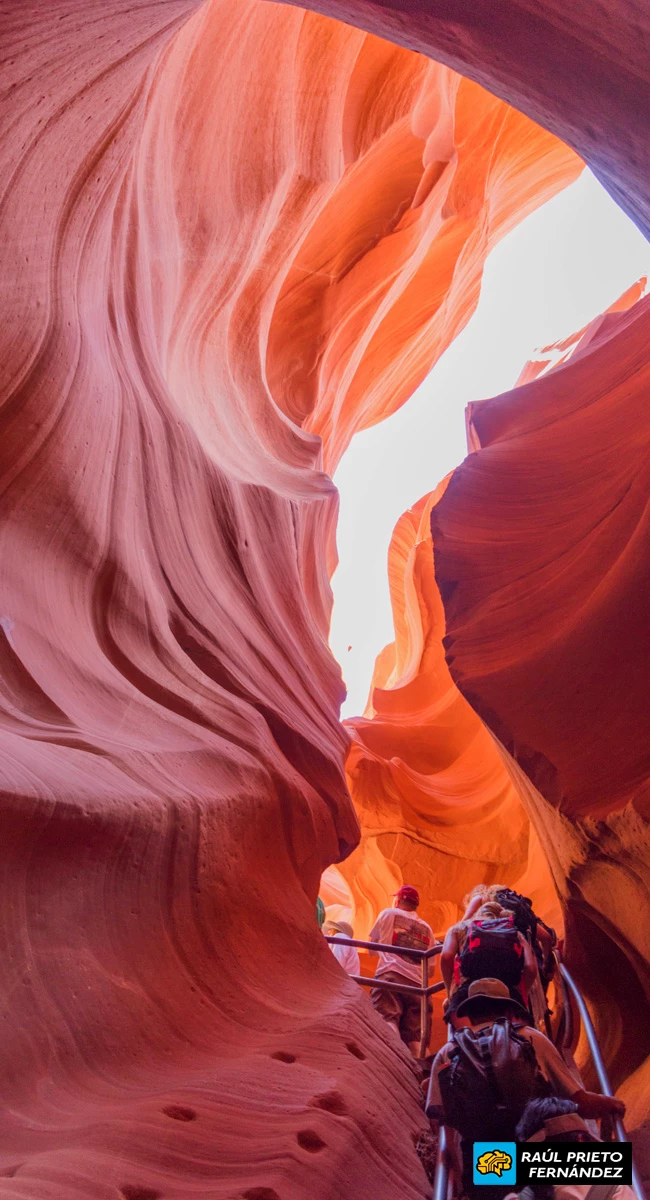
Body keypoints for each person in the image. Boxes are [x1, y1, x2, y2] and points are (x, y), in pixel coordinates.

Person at [426, 978, 625, 1200]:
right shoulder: (530, 1038)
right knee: (612, 1183)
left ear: (469, 1013)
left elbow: (440, 1122)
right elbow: (582, 1104)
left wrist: (460, 1175)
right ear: (510, 1011)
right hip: (540, 1153)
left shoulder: (447, 1053)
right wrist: (612, 1104)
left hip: (488, 1163)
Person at [440, 900, 538, 1024]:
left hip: (467, 993)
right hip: (508, 995)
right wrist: (519, 991)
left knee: (459, 1037)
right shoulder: (515, 933)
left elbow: (446, 957)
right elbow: (530, 968)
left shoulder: (460, 928)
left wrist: (450, 992)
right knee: (523, 1037)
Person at [367, 885, 436, 1057]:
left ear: (397, 901)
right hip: (418, 986)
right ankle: (424, 1078)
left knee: (388, 1020)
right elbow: (432, 969)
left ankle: (393, 1066)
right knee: (416, 1038)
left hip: (391, 976)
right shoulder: (428, 929)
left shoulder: (388, 913)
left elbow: (370, 947)